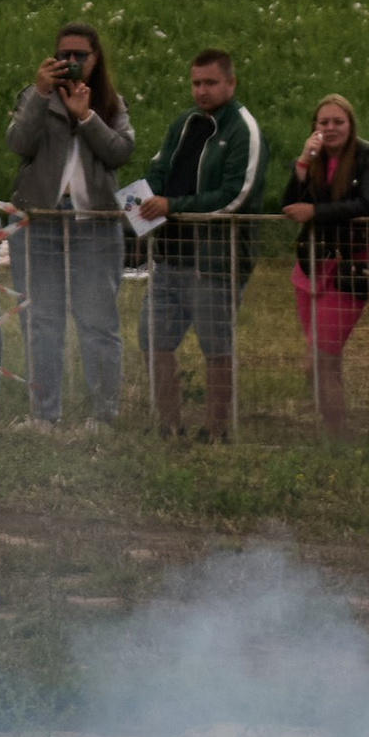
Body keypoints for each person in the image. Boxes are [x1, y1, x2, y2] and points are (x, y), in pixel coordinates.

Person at [6, 24, 132, 430]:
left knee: (98, 322)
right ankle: (43, 415)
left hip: (93, 223)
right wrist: (41, 95)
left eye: (81, 55)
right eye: (65, 55)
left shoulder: (112, 104)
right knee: (41, 320)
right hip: (41, 220)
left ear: (97, 60)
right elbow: (18, 144)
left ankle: (103, 416)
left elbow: (119, 152)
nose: (73, 63)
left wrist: (87, 117)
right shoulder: (34, 96)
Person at [134, 49, 262, 443]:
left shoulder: (244, 130)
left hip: (214, 262)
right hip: (169, 258)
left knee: (215, 346)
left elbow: (234, 196)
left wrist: (174, 207)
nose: (202, 91)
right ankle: (168, 425)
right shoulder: (184, 123)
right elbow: (158, 169)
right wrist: (139, 203)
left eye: (210, 83)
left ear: (231, 83)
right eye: (196, 83)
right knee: (152, 340)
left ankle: (217, 428)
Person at [278, 94, 369, 439]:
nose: (330, 128)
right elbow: (288, 204)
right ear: (314, 128)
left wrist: (315, 213)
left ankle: (336, 437)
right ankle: (334, 432)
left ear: (350, 125)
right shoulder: (313, 160)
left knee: (319, 361)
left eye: (338, 121)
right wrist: (302, 166)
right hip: (311, 267)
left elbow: (367, 202)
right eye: (323, 123)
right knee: (324, 362)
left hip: (349, 270)